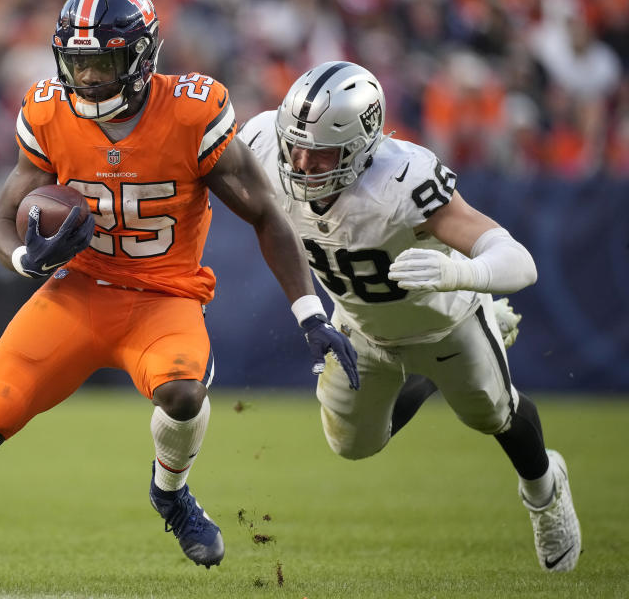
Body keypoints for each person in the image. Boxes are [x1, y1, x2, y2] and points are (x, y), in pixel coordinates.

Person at [0, 0, 358, 593]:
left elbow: (267, 213)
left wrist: (308, 312)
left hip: (164, 297)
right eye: (77, 63)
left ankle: (171, 493)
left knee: (183, 395)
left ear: (141, 58)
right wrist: (26, 260)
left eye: (103, 63)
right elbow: (4, 221)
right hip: (78, 295)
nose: (86, 80)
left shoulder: (193, 112)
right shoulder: (49, 111)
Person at [237, 61, 581, 572]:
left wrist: (459, 275)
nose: (304, 161)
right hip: (361, 326)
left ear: (360, 147)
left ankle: (544, 490)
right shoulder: (264, 142)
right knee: (352, 446)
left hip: (445, 322)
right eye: (297, 144)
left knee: (491, 413)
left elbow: (520, 261)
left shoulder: (402, 180)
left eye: (322, 150)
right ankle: (427, 377)